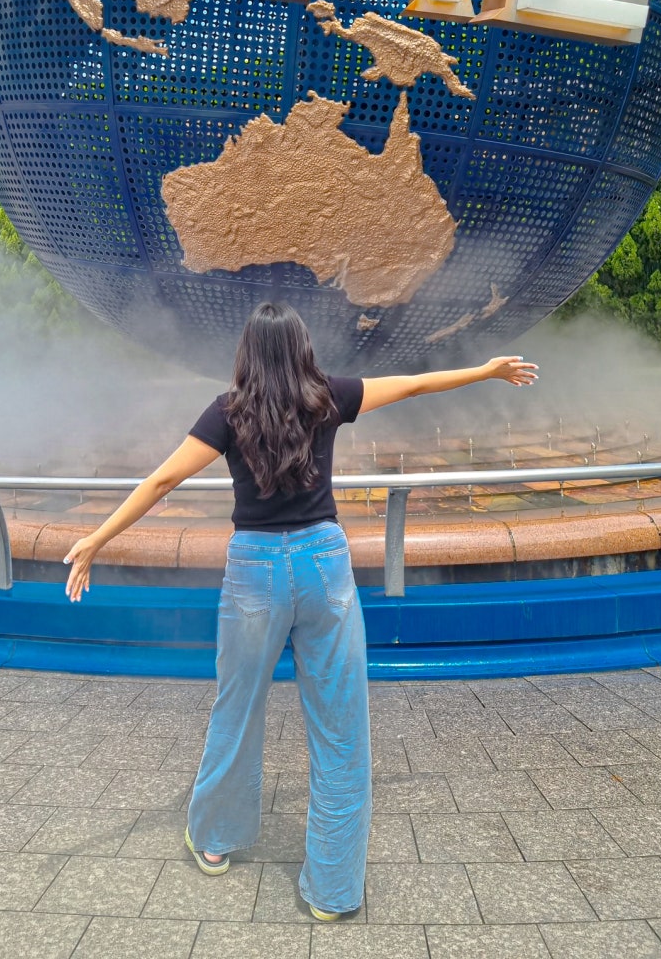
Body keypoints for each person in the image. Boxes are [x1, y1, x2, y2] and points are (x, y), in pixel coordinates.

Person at [64, 301, 537, 920]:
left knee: (237, 706)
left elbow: (160, 482)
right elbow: (417, 383)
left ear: (247, 352)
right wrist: (485, 371)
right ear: (302, 347)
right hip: (325, 564)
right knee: (342, 729)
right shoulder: (329, 398)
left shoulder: (228, 411)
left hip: (254, 572)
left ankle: (215, 839)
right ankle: (333, 892)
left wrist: (96, 539)